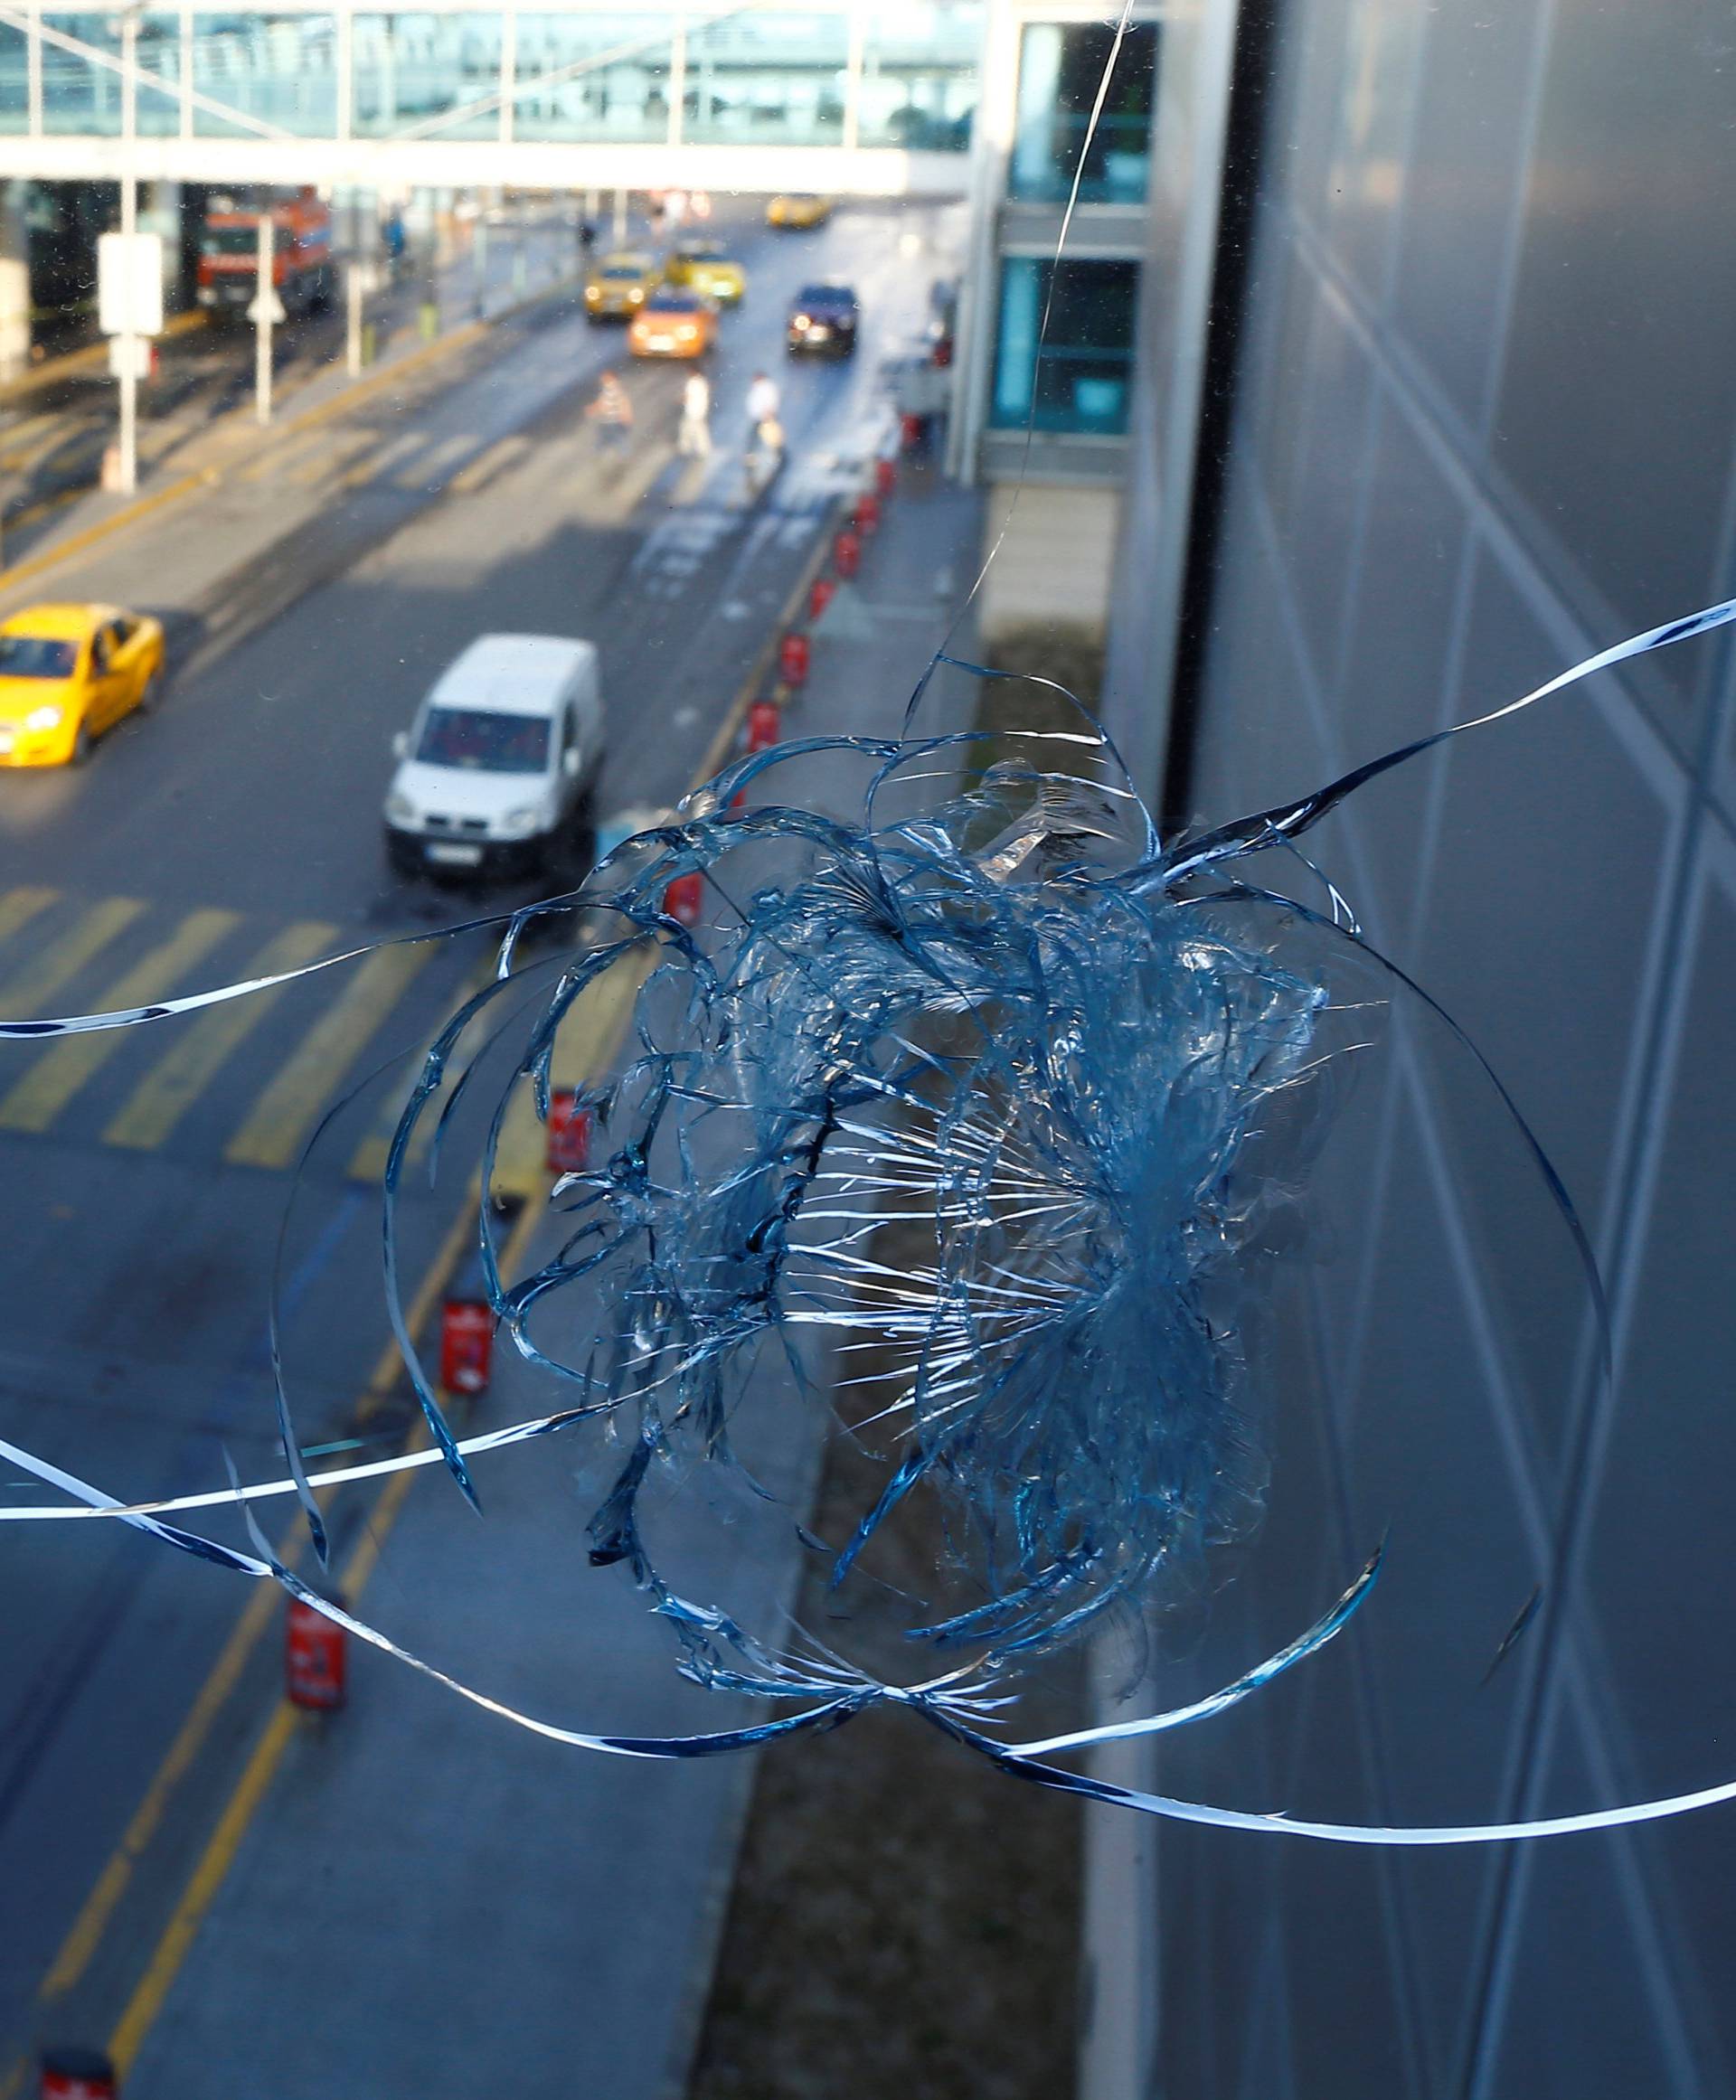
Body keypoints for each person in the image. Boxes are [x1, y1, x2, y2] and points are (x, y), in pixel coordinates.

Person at [584, 368, 633, 457]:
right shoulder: (607, 389)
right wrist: (593, 408)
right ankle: (597, 453)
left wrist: (626, 414)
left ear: (611, 379)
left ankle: (624, 456)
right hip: (607, 420)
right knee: (605, 438)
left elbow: (622, 401)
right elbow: (602, 401)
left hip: (614, 420)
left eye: (604, 378)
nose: (602, 380)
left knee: (617, 439)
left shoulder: (614, 390)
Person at [678, 369, 712, 459]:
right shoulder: (702, 382)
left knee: (686, 428)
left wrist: (680, 400)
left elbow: (687, 397)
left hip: (692, 410)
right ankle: (702, 449)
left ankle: (685, 448)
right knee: (699, 430)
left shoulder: (692, 383)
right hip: (701, 410)